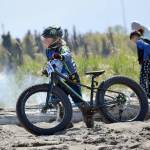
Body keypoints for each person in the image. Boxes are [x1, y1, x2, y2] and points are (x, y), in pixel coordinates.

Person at [41, 26, 93, 128]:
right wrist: (47, 70)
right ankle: (65, 121)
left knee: (78, 101)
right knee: (55, 99)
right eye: (44, 38)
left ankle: (88, 116)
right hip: (59, 79)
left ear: (56, 38)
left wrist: (62, 56)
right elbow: (51, 63)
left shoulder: (62, 47)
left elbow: (67, 55)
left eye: (48, 38)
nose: (45, 40)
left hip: (71, 78)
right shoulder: (48, 51)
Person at [130, 31, 150, 98]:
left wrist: (144, 59)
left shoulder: (139, 41)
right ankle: (148, 95)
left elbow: (147, 47)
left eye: (132, 39)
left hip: (146, 61)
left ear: (134, 37)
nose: (133, 41)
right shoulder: (145, 40)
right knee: (148, 78)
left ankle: (144, 95)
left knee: (143, 78)